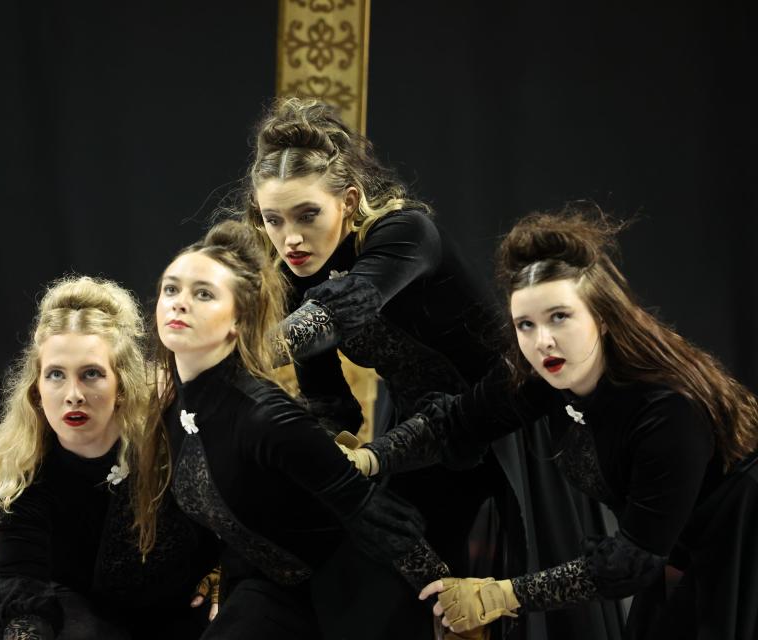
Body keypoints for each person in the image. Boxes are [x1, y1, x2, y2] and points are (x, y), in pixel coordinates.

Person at [346, 207, 758, 639]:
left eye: (559, 317)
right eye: (526, 324)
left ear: (601, 315)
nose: (542, 340)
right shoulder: (545, 373)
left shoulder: (668, 407)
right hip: (677, 554)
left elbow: (630, 563)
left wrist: (500, 595)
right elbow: (457, 421)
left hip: (741, 547)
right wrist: (368, 460)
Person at [228, 96, 533, 588]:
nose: (291, 240)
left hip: (508, 417)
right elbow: (330, 403)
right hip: (418, 431)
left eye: (307, 215)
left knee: (523, 584)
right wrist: (320, 452)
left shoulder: (406, 232)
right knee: (393, 570)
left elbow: (337, 311)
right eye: (273, 220)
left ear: (348, 201)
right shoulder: (294, 278)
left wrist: (225, 353)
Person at [133, 220, 447, 639]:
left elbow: (375, 515)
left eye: (203, 294)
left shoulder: (266, 416)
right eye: (171, 289)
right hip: (271, 590)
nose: (179, 303)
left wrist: (449, 605)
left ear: (239, 320)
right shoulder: (174, 403)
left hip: (351, 601)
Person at [0, 276, 218, 640]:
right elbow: (23, 588)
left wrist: (226, 573)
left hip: (183, 611)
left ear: (122, 385)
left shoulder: (172, 442)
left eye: (91, 374)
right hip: (85, 616)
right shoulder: (19, 471)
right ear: (36, 391)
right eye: (56, 376)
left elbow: (237, 515)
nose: (73, 394)